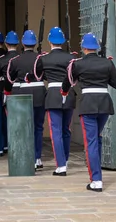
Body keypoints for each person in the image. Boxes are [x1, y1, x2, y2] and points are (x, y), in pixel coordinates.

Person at [61, 33, 116, 192]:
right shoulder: (107, 63)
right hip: (104, 103)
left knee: (91, 142)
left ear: (83, 47)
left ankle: (96, 180)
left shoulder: (77, 64)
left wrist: (64, 92)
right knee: (96, 139)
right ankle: (97, 172)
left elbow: (68, 81)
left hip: (88, 104)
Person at [27, 27, 77, 176]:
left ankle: (61, 165)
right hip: (68, 94)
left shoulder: (44, 58)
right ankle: (65, 159)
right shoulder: (71, 58)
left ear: (49, 41)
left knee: (56, 131)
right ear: (63, 41)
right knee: (66, 130)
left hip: (53, 94)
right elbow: (74, 77)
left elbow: (37, 74)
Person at [7, 30, 47, 170]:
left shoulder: (15, 60)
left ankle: (25, 157)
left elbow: (10, 78)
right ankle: (37, 158)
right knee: (38, 127)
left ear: (22, 43)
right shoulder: (41, 58)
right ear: (35, 44)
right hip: (39, 94)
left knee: (24, 128)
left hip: (22, 95)